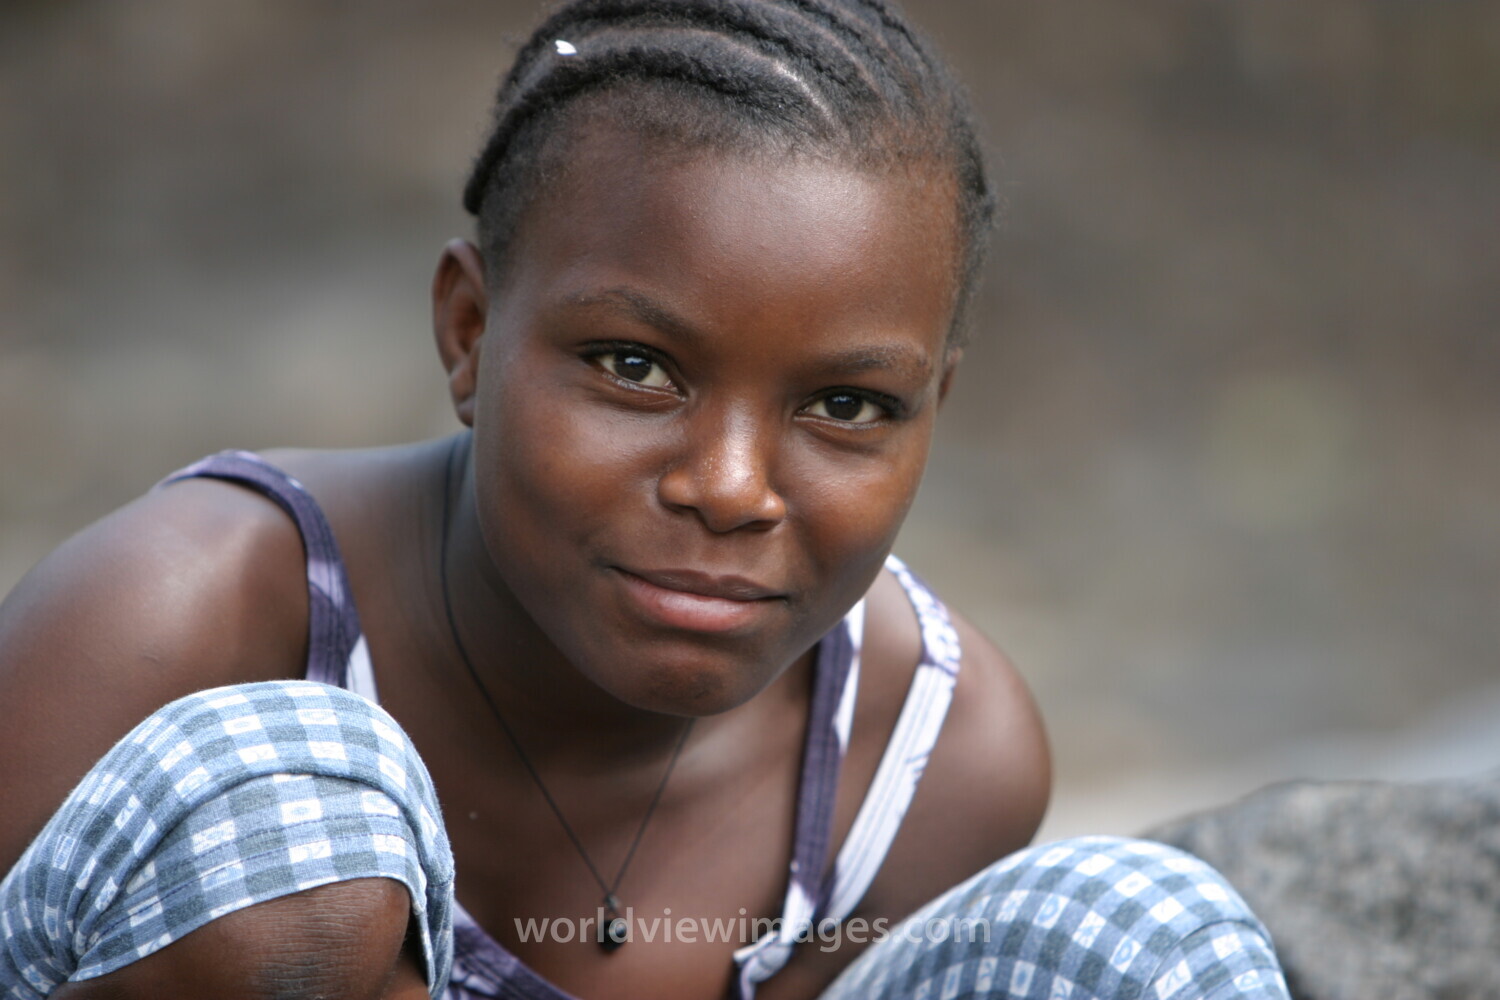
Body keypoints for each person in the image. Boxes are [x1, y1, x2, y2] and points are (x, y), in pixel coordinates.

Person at [0, 2, 1291, 998]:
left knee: (1130, 931)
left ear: (933, 409)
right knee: (283, 815)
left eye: (848, 406)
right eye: (635, 368)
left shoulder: (926, 755)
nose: (731, 490)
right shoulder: (173, 622)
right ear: (469, 330)